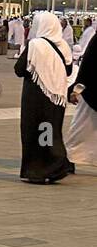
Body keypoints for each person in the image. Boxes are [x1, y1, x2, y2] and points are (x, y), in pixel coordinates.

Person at [14, 10, 76, 184]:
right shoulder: (63, 45)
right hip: (56, 97)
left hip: (36, 99)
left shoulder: (36, 44)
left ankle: (41, 169)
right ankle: (53, 165)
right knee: (49, 131)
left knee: (35, 133)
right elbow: (69, 70)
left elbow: (19, 69)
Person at [66, 39, 97, 166]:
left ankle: (69, 159)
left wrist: (76, 89)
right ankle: (69, 158)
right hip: (91, 92)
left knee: (81, 129)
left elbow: (86, 67)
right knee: (82, 129)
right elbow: (88, 67)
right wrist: (77, 89)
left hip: (91, 92)